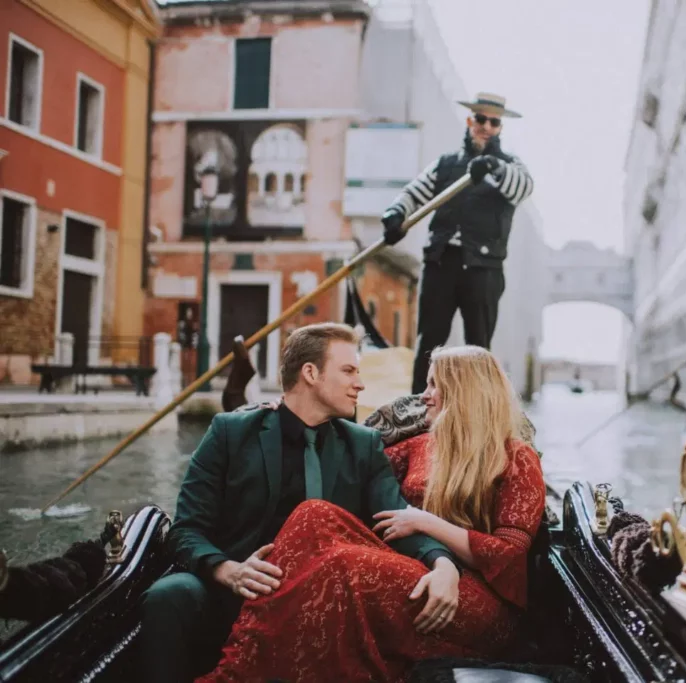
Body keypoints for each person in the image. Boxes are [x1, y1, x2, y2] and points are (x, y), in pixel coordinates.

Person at [197, 345, 547, 682]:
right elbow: (348, 455)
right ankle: (243, 660)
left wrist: (426, 522)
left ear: (464, 392)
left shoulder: (516, 458)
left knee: (344, 563)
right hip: (420, 568)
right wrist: (289, 414)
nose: (424, 395)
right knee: (313, 513)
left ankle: (235, 676)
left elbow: (507, 556)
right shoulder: (421, 446)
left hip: (478, 600)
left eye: (434, 385)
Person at [140, 323, 460, 683]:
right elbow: (186, 530)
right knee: (169, 595)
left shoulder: (364, 445)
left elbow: (397, 518)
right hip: (239, 591)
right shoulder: (230, 433)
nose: (360, 383)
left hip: (320, 605)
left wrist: (443, 563)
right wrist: (228, 570)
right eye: (349, 371)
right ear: (310, 373)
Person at [380, 92, 535, 394]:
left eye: (493, 122)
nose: (486, 126)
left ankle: (478, 409)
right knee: (429, 340)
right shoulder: (446, 164)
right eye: (480, 119)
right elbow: (412, 194)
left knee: (479, 345)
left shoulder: (511, 165)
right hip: (441, 262)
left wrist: (492, 166)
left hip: (484, 268)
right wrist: (395, 214)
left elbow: (523, 189)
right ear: (470, 121)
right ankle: (418, 409)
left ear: (500, 128)